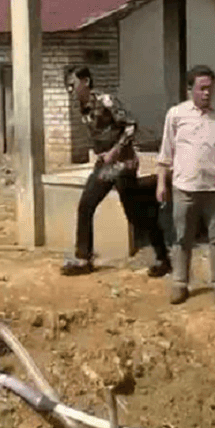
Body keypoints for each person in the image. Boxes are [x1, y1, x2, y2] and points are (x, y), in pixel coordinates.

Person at [60, 66, 171, 278]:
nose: (71, 90)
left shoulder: (105, 101)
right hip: (106, 165)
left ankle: (162, 258)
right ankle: (83, 258)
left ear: (86, 81)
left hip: (122, 163)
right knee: (86, 205)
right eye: (68, 86)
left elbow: (131, 125)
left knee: (135, 214)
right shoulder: (82, 107)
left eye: (73, 84)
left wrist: (115, 150)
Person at [156, 65, 215, 305]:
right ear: (190, 90)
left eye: (210, 88)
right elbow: (165, 152)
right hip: (184, 187)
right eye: (202, 88)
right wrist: (161, 183)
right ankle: (179, 284)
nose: (207, 93)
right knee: (181, 238)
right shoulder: (176, 115)